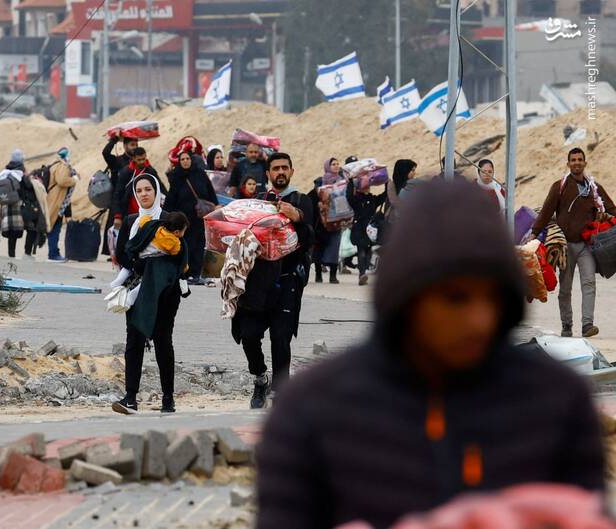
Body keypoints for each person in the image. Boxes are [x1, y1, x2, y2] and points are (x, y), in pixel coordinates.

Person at [255, 179, 606, 529]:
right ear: (408, 294)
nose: (479, 320)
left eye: (494, 297)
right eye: (455, 298)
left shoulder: (556, 402)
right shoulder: (313, 410)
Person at [231, 153, 313, 409]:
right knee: (249, 335)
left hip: (287, 281)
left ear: (291, 171)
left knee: (280, 337)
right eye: (275, 168)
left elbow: (310, 239)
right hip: (257, 282)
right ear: (267, 173)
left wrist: (297, 216)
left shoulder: (301, 201)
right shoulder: (257, 201)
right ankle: (260, 378)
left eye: (284, 168)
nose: (280, 172)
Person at [113, 174, 188, 415]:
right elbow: (122, 253)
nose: (144, 194)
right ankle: (130, 397)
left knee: (162, 341)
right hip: (137, 288)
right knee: (133, 341)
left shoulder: (169, 219)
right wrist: (138, 265)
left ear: (156, 192)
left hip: (165, 291)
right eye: (140, 190)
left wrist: (159, 268)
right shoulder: (131, 221)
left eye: (148, 189)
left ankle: (168, 398)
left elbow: (181, 252)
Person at [529, 147, 616, 337]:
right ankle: (567, 325)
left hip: (586, 245)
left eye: (580, 159)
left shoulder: (594, 188)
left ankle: (587, 325)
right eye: (573, 160)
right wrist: (534, 233)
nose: (577, 162)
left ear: (585, 163)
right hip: (565, 246)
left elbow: (611, 208)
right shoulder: (559, 187)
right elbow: (546, 212)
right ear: (568, 164)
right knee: (565, 288)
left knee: (589, 283)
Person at [165, 150, 218, 283]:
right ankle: (185, 272)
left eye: (187, 159)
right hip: (184, 218)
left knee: (199, 244)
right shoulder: (176, 177)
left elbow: (209, 190)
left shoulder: (200, 173)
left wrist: (216, 204)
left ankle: (196, 273)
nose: (185, 161)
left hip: (199, 217)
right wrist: (167, 214)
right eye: (182, 159)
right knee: (186, 244)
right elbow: (171, 197)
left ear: (191, 160)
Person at [309, 158, 346, 284]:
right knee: (319, 248)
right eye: (333, 164)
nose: (336, 166)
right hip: (321, 221)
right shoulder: (320, 182)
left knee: (334, 247)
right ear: (327, 166)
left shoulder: (343, 182)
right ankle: (318, 274)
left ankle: (333, 276)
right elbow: (312, 198)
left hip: (337, 219)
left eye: (337, 164)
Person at [102, 135, 139, 255]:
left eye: (136, 145)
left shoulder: (138, 162)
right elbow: (105, 153)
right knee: (115, 227)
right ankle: (113, 251)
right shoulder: (116, 161)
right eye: (132, 145)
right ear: (125, 146)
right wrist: (114, 140)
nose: (134, 147)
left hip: (133, 199)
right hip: (117, 199)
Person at [348, 177, 387, 286]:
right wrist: (351, 182)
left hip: (370, 230)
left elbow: (384, 196)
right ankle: (362, 274)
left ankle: (363, 271)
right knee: (361, 251)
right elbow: (349, 196)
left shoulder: (373, 199)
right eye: (365, 186)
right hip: (359, 229)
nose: (367, 188)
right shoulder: (356, 199)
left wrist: (386, 183)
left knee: (368, 251)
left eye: (368, 186)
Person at [112, 147, 163, 229]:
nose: (142, 162)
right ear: (134, 159)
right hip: (130, 213)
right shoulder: (126, 173)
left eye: (143, 159)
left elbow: (160, 188)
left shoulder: (151, 171)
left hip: (150, 214)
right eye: (139, 160)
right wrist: (117, 216)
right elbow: (118, 194)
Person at [46, 147, 79, 262]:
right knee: (55, 228)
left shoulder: (55, 164)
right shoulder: (62, 166)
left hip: (55, 201)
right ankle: (53, 254)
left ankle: (53, 253)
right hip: (56, 202)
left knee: (53, 228)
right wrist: (74, 179)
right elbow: (62, 180)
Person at [0, 149, 25, 258]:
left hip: (5, 204)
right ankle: (23, 253)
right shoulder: (19, 173)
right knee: (16, 231)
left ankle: (11, 254)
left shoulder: (4, 173)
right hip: (17, 205)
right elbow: (23, 189)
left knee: (11, 232)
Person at [21, 164, 47, 259]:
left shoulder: (27, 182)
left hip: (28, 210)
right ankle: (27, 253)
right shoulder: (34, 185)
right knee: (32, 231)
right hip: (33, 211)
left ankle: (28, 253)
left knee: (31, 231)